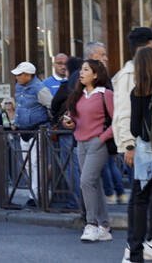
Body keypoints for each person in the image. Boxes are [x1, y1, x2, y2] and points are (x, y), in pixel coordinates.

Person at [123, 47, 152, 263]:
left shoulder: (138, 92)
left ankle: (135, 253)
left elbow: (134, 129)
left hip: (148, 154)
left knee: (140, 201)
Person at [63, 59, 114, 243]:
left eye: (85, 70)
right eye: (81, 69)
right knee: (94, 184)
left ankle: (91, 224)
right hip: (80, 143)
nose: (81, 73)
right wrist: (69, 122)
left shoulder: (105, 94)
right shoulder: (79, 94)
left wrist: (101, 139)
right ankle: (104, 227)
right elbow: (73, 117)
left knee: (86, 181)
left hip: (97, 143)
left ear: (96, 74)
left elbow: (116, 121)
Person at [113, 28, 152, 185]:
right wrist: (129, 146)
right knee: (141, 197)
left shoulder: (144, 74)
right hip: (137, 148)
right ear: (141, 49)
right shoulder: (129, 75)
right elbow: (125, 113)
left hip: (148, 147)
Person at [12, 61, 52, 207]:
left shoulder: (39, 88)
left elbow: (51, 105)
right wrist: (16, 122)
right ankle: (36, 192)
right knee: (28, 165)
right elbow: (20, 107)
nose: (17, 78)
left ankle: (35, 195)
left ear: (28, 75)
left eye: (19, 75)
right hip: (24, 130)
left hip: (37, 129)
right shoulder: (19, 86)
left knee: (36, 164)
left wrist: (47, 124)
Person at [51, 56, 84, 209]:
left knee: (71, 166)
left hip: (67, 129)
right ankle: (85, 201)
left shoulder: (67, 85)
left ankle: (75, 201)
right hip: (85, 129)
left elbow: (54, 104)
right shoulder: (87, 84)